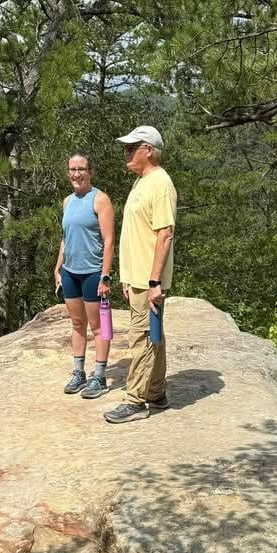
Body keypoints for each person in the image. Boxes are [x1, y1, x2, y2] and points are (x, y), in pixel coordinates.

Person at [104, 125, 177, 424]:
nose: (126, 152)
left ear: (148, 150)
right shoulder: (142, 182)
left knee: (143, 338)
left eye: (132, 147)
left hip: (149, 280)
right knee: (153, 336)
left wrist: (154, 281)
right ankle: (157, 394)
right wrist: (126, 276)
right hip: (137, 279)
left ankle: (135, 401)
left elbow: (165, 233)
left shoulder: (160, 183)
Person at [54, 151, 115, 399]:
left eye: (81, 169)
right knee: (77, 323)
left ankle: (99, 376)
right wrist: (58, 266)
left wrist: (105, 275)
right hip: (70, 272)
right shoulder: (67, 202)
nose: (77, 174)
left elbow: (109, 240)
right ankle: (79, 372)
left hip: (92, 272)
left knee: (99, 326)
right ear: (68, 172)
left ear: (90, 171)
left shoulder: (100, 200)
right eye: (73, 169)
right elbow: (65, 238)